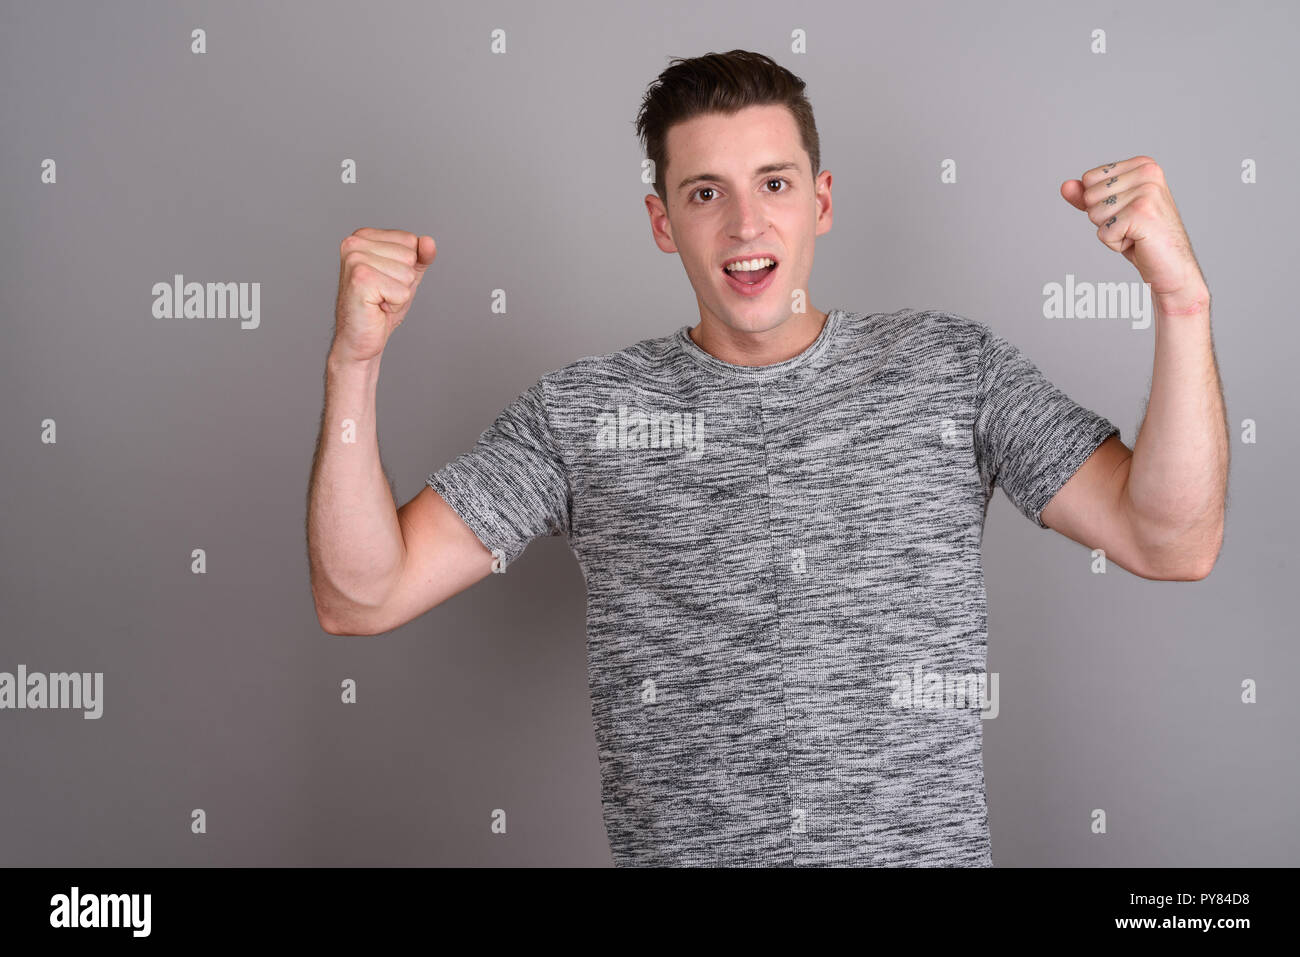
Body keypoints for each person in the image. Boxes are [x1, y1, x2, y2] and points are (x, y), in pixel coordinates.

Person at [306, 50, 1227, 866]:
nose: (746, 225)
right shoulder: (583, 414)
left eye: (775, 184)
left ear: (820, 202)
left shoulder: (953, 370)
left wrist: (1182, 303)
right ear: (663, 221)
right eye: (706, 192)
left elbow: (1167, 540)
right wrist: (355, 364)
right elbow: (362, 594)